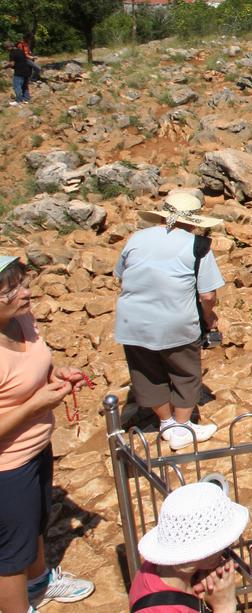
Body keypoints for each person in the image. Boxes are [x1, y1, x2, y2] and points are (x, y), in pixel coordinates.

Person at [0, 255, 95, 611]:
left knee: (35, 524)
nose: (25, 293)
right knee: (10, 554)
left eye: (22, 284)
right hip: (7, 466)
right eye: (11, 291)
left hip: (36, 447)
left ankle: (39, 583)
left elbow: (37, 367)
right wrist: (34, 405)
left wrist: (56, 375)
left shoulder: (21, 318)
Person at [115, 192, 225, 449]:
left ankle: (165, 423)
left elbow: (120, 275)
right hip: (176, 321)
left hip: (133, 321)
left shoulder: (137, 238)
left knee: (146, 373)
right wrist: (209, 318)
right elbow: (207, 295)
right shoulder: (198, 246)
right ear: (194, 221)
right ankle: (182, 427)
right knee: (185, 372)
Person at [129, 481, 248, 613]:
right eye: (223, 544)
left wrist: (198, 579)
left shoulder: (153, 570)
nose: (229, 546)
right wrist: (225, 606)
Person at [8, 41, 35, 106]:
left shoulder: (12, 53)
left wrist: (5, 66)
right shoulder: (20, 51)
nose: (7, 50)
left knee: (16, 86)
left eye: (6, 48)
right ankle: (26, 99)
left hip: (19, 72)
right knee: (24, 86)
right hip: (26, 71)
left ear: (8, 47)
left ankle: (18, 100)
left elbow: (12, 64)